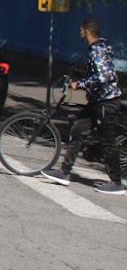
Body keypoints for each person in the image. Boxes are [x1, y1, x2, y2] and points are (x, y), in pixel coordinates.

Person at [42, 19, 124, 194]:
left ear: (86, 31)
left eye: (81, 30)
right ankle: (64, 173)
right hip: (96, 102)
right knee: (78, 130)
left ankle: (117, 183)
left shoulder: (97, 50)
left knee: (108, 141)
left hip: (107, 103)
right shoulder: (98, 49)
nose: (79, 33)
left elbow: (103, 77)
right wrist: (77, 74)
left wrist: (79, 84)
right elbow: (96, 72)